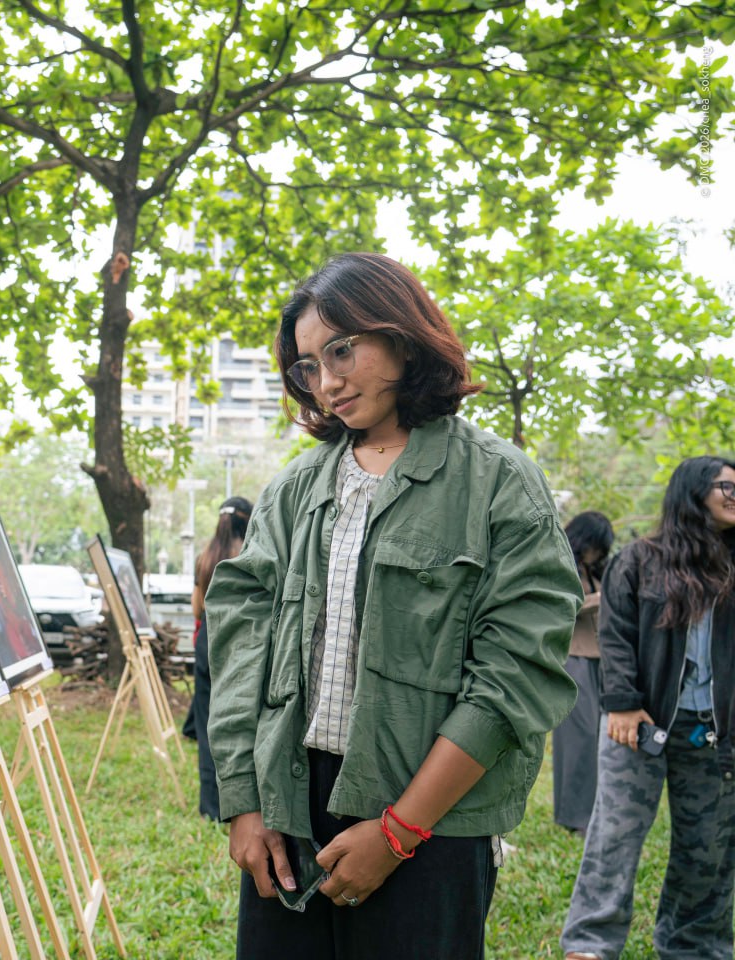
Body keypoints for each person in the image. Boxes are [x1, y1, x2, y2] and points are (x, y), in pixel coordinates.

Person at [205, 252, 582, 959]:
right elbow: (240, 643)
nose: (328, 381)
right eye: (310, 366)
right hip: (293, 802)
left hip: (434, 810)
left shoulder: (500, 482)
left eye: (343, 349)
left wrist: (399, 831)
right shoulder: (293, 490)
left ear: (403, 335)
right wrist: (245, 804)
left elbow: (516, 674)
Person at [561, 456, 735, 960]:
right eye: (726, 485)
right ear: (694, 490)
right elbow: (615, 636)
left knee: (709, 849)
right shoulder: (640, 559)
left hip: (714, 734)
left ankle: (696, 945)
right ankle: (591, 945)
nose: (733, 494)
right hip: (638, 725)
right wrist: (621, 704)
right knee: (613, 839)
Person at [188, 495, 252, 821]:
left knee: (206, 726)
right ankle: (237, 803)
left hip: (205, 644)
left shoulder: (205, 556)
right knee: (237, 727)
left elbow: (197, 607)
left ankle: (210, 807)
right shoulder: (251, 552)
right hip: (239, 647)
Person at [552, 510, 616, 834]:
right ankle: (574, 819)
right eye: (596, 546)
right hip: (573, 660)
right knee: (580, 739)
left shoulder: (597, 570)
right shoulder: (561, 563)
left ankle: (594, 813)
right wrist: (600, 598)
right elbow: (562, 606)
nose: (599, 553)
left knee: (599, 740)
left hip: (601, 662)